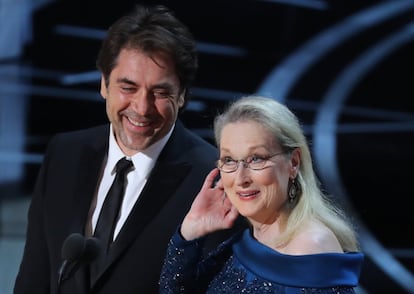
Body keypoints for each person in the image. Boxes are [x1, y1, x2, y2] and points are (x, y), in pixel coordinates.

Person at [14, 4, 245, 294]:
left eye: (160, 93)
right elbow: (33, 280)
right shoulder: (63, 153)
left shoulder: (213, 179)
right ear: (103, 84)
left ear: (183, 95)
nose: (141, 108)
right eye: (128, 87)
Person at [159, 95, 364, 293]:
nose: (241, 178)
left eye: (256, 159)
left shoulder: (311, 248)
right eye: (229, 160)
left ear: (293, 163)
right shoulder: (245, 241)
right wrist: (190, 232)